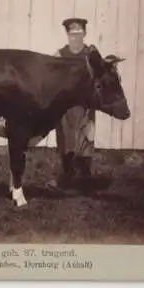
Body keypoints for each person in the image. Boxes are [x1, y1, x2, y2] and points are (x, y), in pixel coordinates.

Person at [49, 17, 96, 188]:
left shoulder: (91, 54)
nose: (76, 38)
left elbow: (101, 75)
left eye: (79, 34)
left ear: (84, 34)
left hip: (85, 106)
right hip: (66, 108)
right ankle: (64, 177)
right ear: (67, 35)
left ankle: (85, 179)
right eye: (72, 35)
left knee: (86, 140)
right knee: (65, 141)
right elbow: (50, 77)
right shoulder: (59, 55)